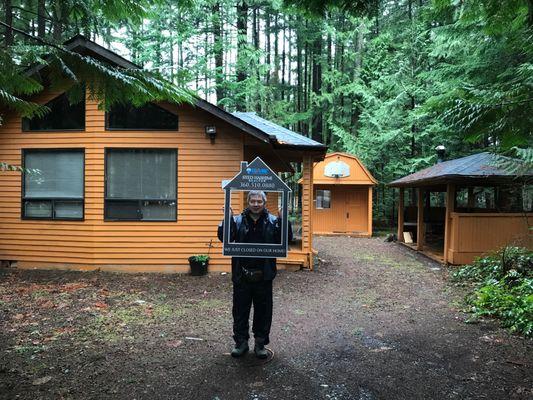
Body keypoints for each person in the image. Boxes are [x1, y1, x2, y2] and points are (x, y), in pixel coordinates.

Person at [217, 190, 292, 359]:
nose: (256, 204)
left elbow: (287, 238)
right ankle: (241, 343)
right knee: (240, 311)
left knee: (263, 311)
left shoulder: (273, 221)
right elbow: (224, 237)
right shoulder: (237, 220)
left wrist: (283, 219)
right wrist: (227, 218)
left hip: (263, 275)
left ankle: (260, 344)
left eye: (259, 201)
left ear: (264, 203)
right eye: (253, 201)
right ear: (248, 202)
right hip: (242, 275)